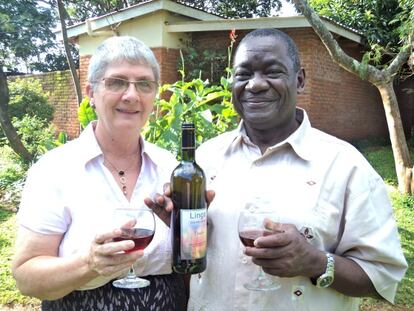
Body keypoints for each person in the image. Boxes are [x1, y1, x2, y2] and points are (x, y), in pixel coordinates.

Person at [149, 28, 408, 311]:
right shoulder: (207, 157)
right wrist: (182, 227)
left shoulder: (345, 165)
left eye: (272, 72)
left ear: (299, 81)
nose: (255, 85)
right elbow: (199, 259)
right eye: (243, 74)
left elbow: (382, 276)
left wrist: (315, 262)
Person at [12, 36, 187, 310]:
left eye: (144, 84)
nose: (131, 95)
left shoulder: (170, 167)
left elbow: (189, 259)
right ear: (91, 93)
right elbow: (26, 277)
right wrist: (89, 264)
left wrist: (191, 228)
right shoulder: (55, 169)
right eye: (117, 82)